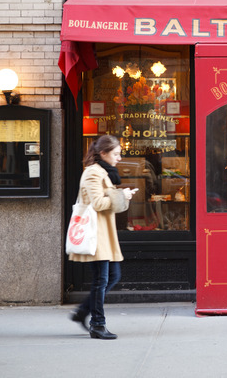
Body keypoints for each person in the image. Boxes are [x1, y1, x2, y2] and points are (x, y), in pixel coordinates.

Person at [69, 135, 134, 340]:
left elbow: (106, 201)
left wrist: (123, 196)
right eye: (116, 154)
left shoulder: (104, 172)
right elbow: (97, 203)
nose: (119, 158)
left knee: (112, 277)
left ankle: (82, 312)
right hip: (96, 233)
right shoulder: (92, 173)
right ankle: (97, 324)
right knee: (101, 279)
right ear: (103, 153)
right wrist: (122, 195)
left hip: (104, 232)